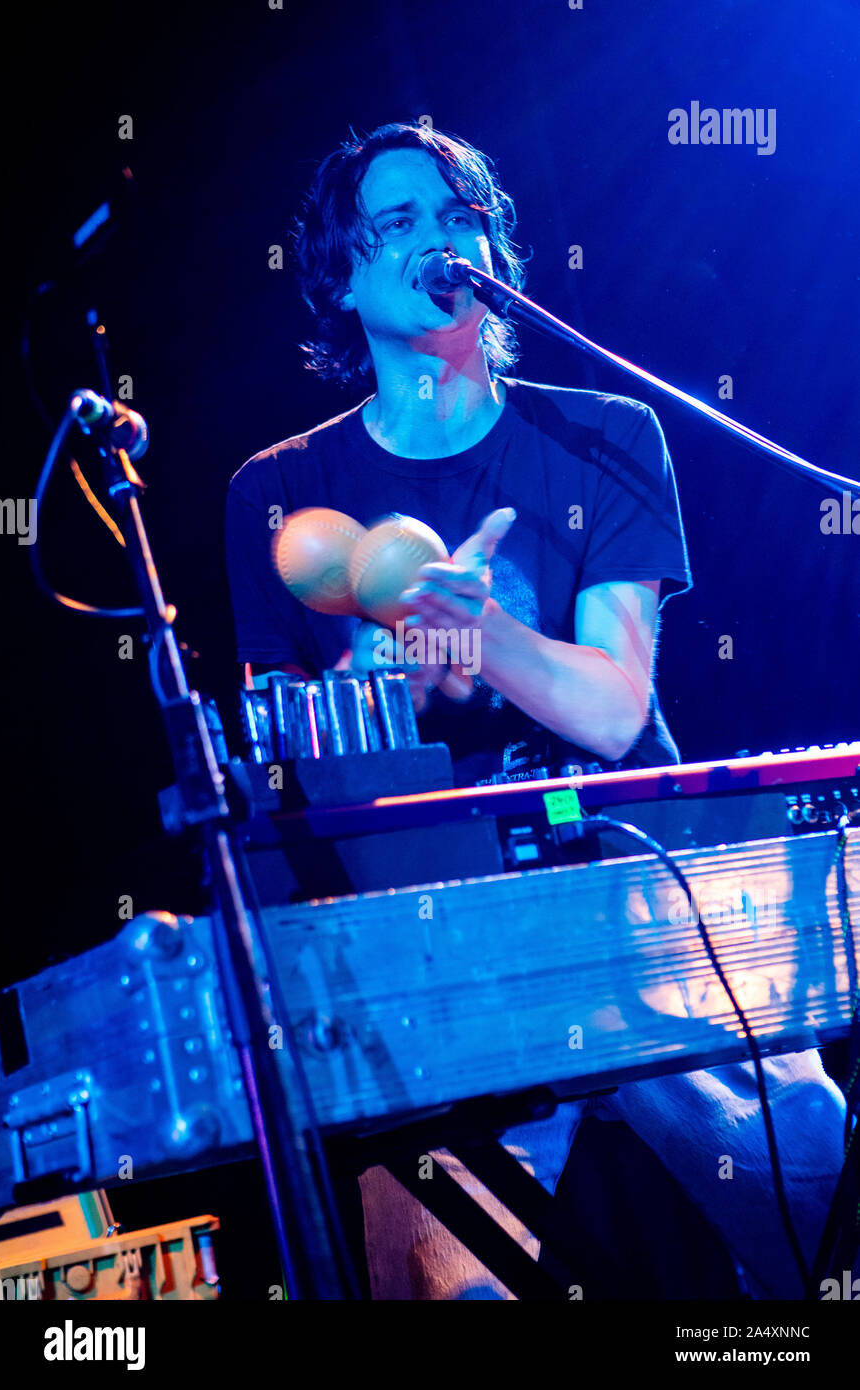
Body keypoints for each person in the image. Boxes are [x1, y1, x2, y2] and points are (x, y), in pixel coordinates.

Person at [225, 121, 848, 1299]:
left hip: (645, 903)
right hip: (430, 945)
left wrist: (479, 634)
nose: (437, 238)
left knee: (811, 1199)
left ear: (495, 251)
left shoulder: (607, 437)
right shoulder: (278, 491)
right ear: (343, 278)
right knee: (432, 1272)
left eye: (458, 215)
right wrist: (395, 675)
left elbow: (613, 715)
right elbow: (282, 770)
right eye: (396, 223)